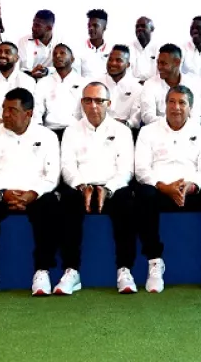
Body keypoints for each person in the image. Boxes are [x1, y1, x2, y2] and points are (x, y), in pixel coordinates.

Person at [0, 88, 60, 298]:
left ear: (28, 113)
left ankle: (42, 271)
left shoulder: (47, 136)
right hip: (0, 193)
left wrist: (33, 193)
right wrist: (3, 193)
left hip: (35, 193)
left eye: (12, 110)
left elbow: (52, 175)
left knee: (50, 207)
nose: (5, 115)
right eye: (4, 109)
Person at [135, 86, 201, 292]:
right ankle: (154, 262)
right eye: (171, 102)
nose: (176, 107)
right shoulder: (147, 132)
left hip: (190, 190)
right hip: (159, 189)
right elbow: (141, 170)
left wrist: (190, 186)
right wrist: (165, 187)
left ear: (190, 108)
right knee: (142, 194)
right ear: (164, 105)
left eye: (182, 103)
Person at [58, 82, 137, 294]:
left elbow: (126, 170)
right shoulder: (71, 131)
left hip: (112, 188)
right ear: (82, 103)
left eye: (99, 100)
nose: (93, 105)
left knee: (127, 201)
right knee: (66, 201)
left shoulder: (122, 131)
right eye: (88, 100)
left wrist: (108, 188)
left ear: (109, 103)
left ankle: (124, 270)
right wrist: (82, 186)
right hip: (81, 188)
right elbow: (67, 167)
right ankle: (71, 271)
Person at [140, 44, 201, 125]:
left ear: (177, 62)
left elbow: (197, 117)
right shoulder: (149, 84)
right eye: (158, 63)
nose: (159, 67)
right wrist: (172, 125)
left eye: (163, 63)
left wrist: (182, 128)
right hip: (159, 131)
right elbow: (147, 116)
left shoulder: (194, 85)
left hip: (187, 132)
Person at [33, 43, 86, 140]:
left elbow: (86, 112)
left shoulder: (83, 83)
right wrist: (39, 130)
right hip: (49, 131)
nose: (58, 56)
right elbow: (37, 108)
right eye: (55, 54)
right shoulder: (43, 82)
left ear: (72, 59)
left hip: (75, 131)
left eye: (62, 53)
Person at [18, 9, 81, 79]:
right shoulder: (24, 41)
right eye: (33, 24)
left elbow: (70, 66)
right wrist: (32, 73)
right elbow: (23, 68)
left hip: (55, 82)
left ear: (49, 28)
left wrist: (48, 71)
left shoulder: (62, 41)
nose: (33, 28)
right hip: (29, 80)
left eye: (37, 26)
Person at [97, 45, 142, 129]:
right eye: (110, 59)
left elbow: (135, 119)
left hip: (126, 130)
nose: (113, 63)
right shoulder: (97, 84)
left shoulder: (137, 88)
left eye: (118, 60)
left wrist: (125, 123)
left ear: (128, 65)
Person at [80, 9, 111, 79]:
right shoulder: (79, 49)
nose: (90, 28)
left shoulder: (112, 50)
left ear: (104, 28)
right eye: (89, 25)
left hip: (106, 88)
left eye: (95, 25)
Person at [128, 17, 158, 84]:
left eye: (143, 26)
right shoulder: (128, 48)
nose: (139, 28)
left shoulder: (159, 49)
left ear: (152, 29)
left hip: (154, 86)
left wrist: (149, 83)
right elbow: (126, 73)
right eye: (137, 27)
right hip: (132, 86)